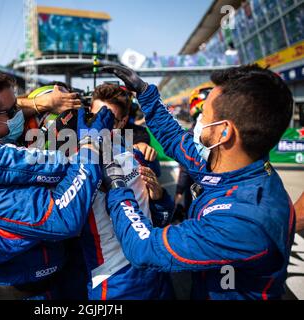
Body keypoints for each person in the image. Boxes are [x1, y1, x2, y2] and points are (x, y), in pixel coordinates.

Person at [0, 85, 175, 300]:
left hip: (70, 285)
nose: (22, 118)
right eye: (15, 112)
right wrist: (82, 155)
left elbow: (156, 214)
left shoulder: (115, 153)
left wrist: (159, 196)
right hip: (9, 291)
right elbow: (15, 232)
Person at [102, 64, 295, 300]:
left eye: (204, 113)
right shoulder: (227, 163)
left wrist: (118, 187)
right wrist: (145, 92)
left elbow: (145, 249)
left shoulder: (245, 218)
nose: (198, 120)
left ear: (224, 132)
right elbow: (175, 138)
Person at [174, 87, 213, 222]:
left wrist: (178, 192)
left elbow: (185, 169)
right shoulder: (223, 134)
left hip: (198, 200)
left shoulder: (190, 136)